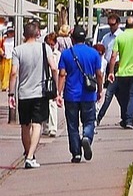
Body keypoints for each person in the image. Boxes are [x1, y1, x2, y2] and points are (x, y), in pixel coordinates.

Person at [12, 20, 58, 168]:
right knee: (37, 124)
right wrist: (56, 87)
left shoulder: (17, 50)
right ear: (38, 33)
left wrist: (11, 94)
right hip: (40, 92)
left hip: (23, 93)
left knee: (25, 126)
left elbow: (14, 73)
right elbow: (54, 68)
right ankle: (30, 156)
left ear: (24, 34)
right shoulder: (45, 48)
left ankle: (28, 154)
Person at [59, 23, 104, 163]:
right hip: (88, 94)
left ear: (72, 38)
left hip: (71, 94)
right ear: (85, 39)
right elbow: (99, 74)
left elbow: (62, 74)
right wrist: (100, 90)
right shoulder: (94, 53)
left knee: (72, 124)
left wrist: (58, 93)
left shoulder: (66, 54)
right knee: (89, 120)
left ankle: (76, 153)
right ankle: (87, 136)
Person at [106, 15, 133, 129]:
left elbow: (113, 56)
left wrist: (111, 72)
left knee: (124, 97)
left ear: (125, 26)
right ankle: (129, 120)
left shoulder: (120, 37)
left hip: (122, 72)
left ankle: (125, 119)